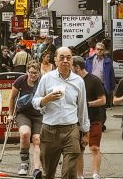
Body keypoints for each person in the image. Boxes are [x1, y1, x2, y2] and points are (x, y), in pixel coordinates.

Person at [32, 46, 90, 179]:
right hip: (49, 131)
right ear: (55, 60)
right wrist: (46, 99)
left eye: (68, 58)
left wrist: (85, 132)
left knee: (69, 173)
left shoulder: (78, 81)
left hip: (71, 130)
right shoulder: (47, 78)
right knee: (48, 173)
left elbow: (82, 108)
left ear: (72, 61)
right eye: (61, 58)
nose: (65, 61)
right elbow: (35, 102)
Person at [8, 61, 43, 178]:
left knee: (37, 139)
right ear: (27, 71)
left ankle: (37, 168)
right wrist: (10, 114)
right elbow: (12, 98)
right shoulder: (21, 80)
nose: (33, 75)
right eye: (31, 72)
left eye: (35, 73)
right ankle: (24, 162)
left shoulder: (42, 81)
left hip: (39, 114)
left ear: (39, 73)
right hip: (23, 113)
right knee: (24, 133)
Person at [73, 56, 106, 179]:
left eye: (71, 67)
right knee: (79, 149)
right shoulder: (73, 81)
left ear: (77, 67)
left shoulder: (94, 80)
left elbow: (103, 100)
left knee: (94, 147)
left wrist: (87, 104)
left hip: (94, 119)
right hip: (77, 120)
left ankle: (95, 174)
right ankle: (79, 175)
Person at [86, 42, 115, 108]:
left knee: (102, 103)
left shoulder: (108, 61)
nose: (99, 51)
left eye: (101, 49)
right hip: (91, 84)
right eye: (98, 49)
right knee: (91, 101)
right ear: (95, 50)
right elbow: (85, 71)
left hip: (102, 84)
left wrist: (111, 86)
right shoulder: (89, 60)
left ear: (104, 50)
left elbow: (111, 74)